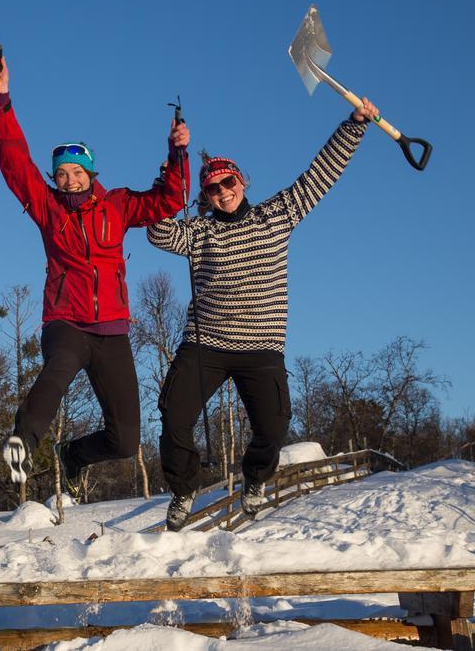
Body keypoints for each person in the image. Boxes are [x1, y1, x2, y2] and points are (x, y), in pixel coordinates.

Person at [147, 98, 380, 530]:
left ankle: (255, 480)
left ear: (242, 181)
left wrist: (355, 124)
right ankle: (182, 490)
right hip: (206, 345)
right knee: (174, 418)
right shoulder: (198, 231)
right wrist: (172, 163)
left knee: (273, 427)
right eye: (212, 188)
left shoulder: (277, 215)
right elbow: (157, 231)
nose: (222, 191)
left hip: (261, 347)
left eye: (228, 182)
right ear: (205, 196)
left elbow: (320, 175)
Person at [0, 54, 189, 496]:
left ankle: (73, 456)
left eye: (77, 172)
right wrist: (2, 98)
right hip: (66, 321)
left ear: (90, 173)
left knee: (124, 440)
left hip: (113, 330)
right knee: (58, 370)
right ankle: (23, 442)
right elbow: (14, 162)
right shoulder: (47, 208)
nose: (69, 180)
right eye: (61, 174)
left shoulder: (116, 205)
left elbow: (168, 200)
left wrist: (177, 153)